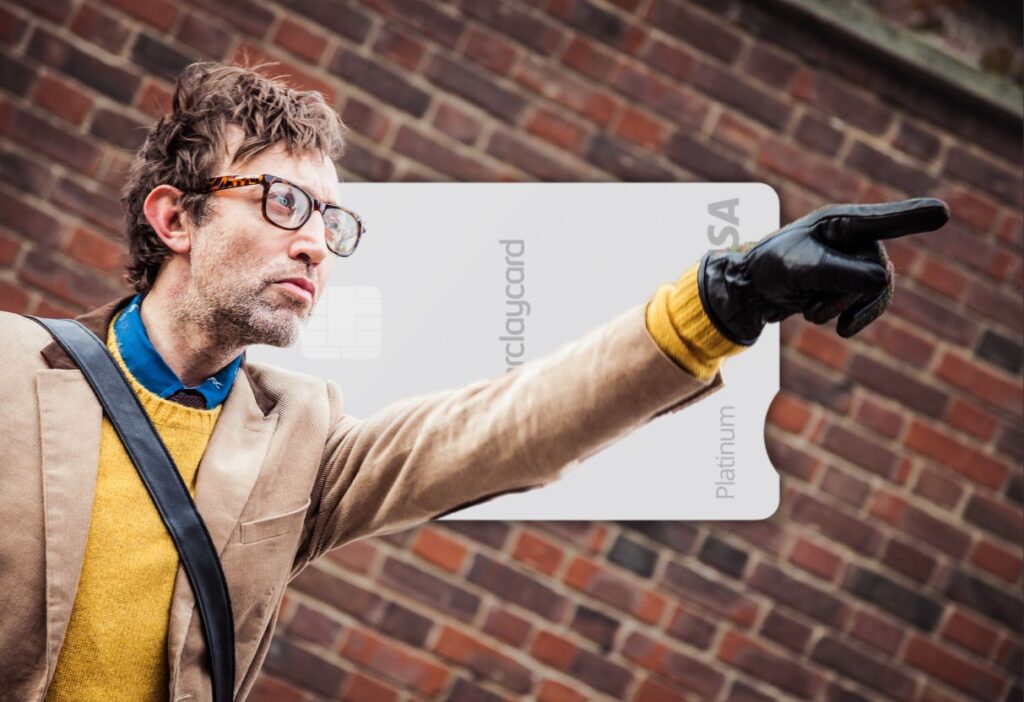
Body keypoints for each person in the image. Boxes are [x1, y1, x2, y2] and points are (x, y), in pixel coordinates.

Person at [0, 61, 949, 701]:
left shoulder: (299, 442)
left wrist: (732, 295)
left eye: (332, 220)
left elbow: (508, 427)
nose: (315, 242)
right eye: (284, 200)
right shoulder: (11, 369)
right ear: (175, 218)